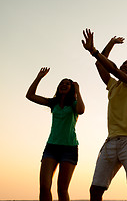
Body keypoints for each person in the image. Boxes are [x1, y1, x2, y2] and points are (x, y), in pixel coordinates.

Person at [82, 28, 127, 201]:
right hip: (111, 141)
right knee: (95, 190)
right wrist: (110, 43)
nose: (125, 65)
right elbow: (100, 65)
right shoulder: (113, 85)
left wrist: (94, 51)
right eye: (124, 63)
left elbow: (114, 70)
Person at [26, 67, 85, 201]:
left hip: (69, 148)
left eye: (67, 83)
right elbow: (30, 96)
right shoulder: (53, 103)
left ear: (72, 88)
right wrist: (39, 77)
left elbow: (81, 110)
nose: (64, 85)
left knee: (62, 190)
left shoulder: (74, 104)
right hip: (51, 147)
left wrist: (78, 91)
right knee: (44, 187)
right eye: (61, 83)